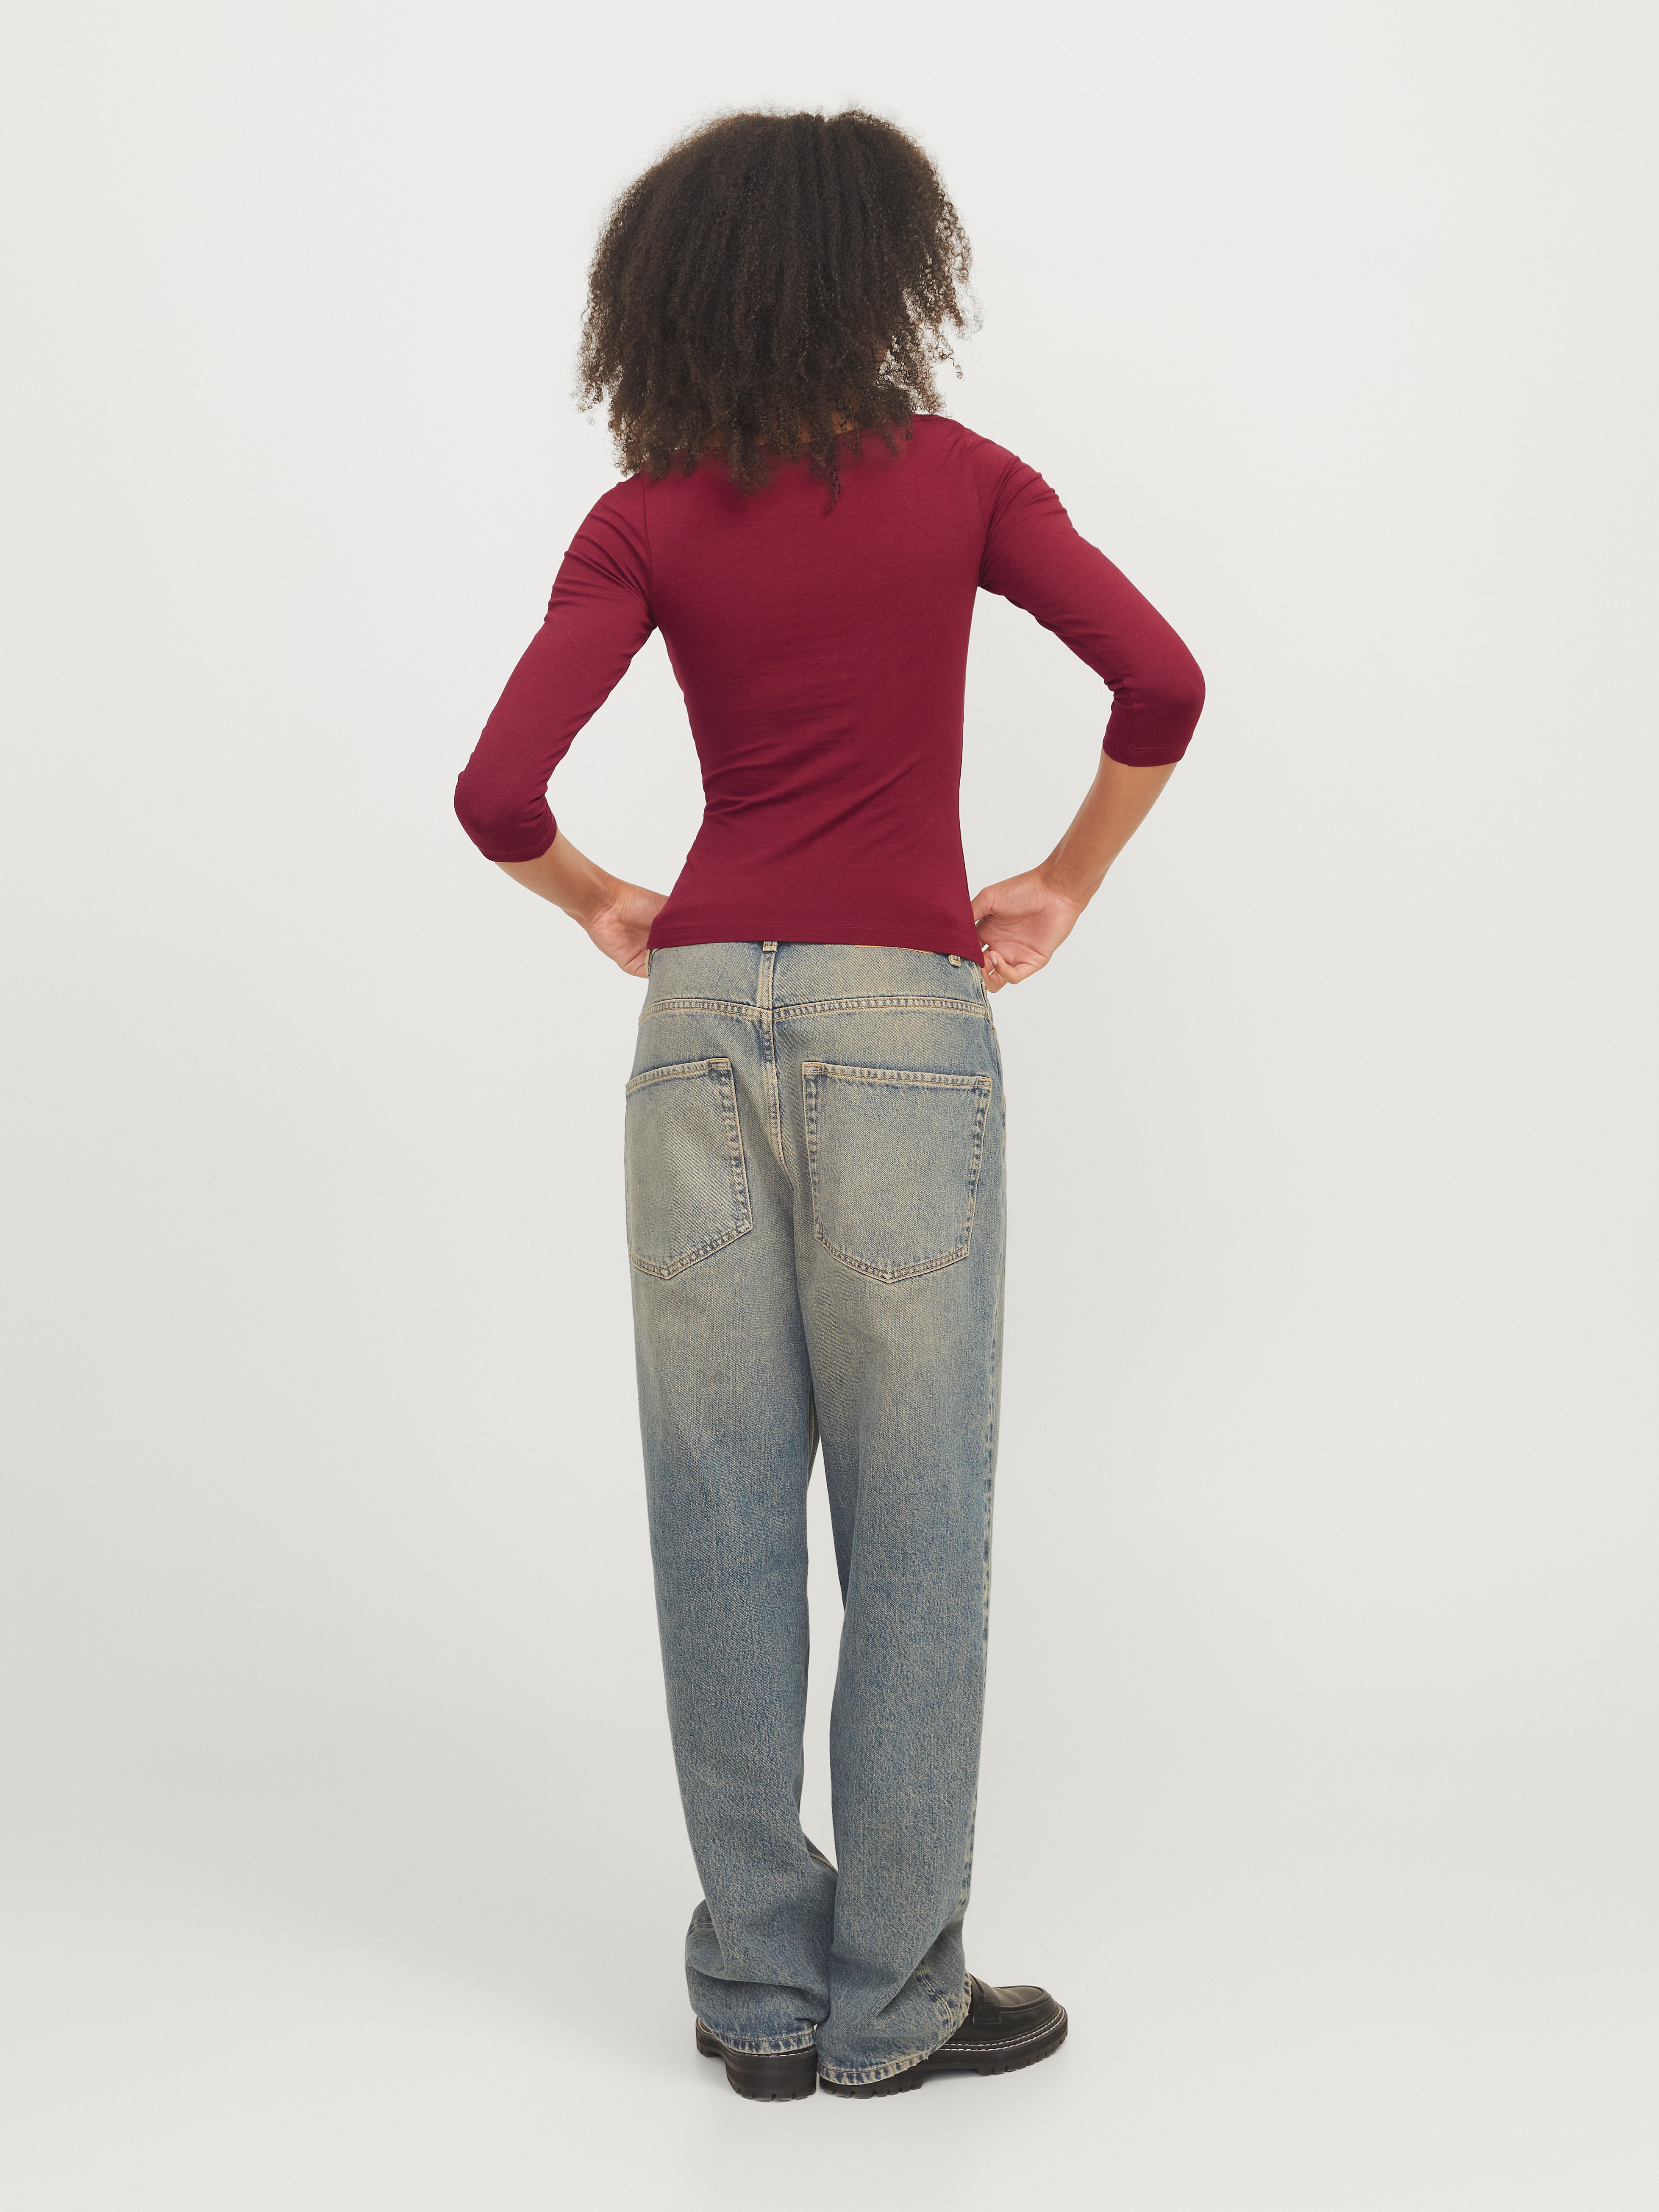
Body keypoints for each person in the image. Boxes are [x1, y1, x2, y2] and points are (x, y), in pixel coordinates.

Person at [453, 107, 1204, 2101]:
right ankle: (893, 2001)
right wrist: (1066, 879)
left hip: (697, 1020)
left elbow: (496, 795)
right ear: (887, 275)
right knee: (915, 1513)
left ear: (672, 294)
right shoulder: (963, 483)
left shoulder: (643, 517)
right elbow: (1161, 683)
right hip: (899, 1014)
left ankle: (759, 1999)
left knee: (717, 1509)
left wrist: (600, 899)